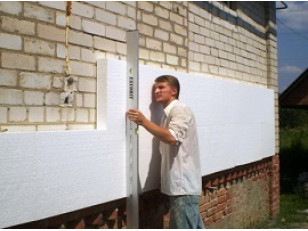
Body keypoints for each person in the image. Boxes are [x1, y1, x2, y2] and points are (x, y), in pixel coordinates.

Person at [127, 75, 204, 229]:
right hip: (179, 188)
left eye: (161, 87)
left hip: (183, 188)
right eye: (155, 88)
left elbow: (172, 137)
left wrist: (143, 121)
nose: (157, 91)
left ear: (174, 91)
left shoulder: (180, 109)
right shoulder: (167, 115)